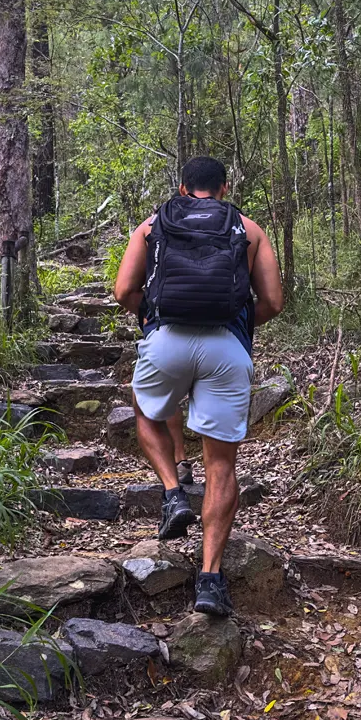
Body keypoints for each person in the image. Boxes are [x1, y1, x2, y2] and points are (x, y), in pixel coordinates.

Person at [112, 157, 284, 618]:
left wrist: (150, 322)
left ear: (183, 188)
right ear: (224, 188)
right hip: (227, 346)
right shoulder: (248, 228)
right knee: (222, 464)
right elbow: (272, 300)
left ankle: (172, 492)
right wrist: (240, 326)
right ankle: (210, 580)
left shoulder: (152, 225)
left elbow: (124, 289)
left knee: (146, 415)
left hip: (166, 338)